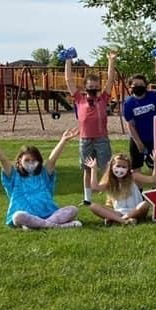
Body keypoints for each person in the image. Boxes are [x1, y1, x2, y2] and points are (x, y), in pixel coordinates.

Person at [0, 126, 82, 229]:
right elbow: (3, 159)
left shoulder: (44, 174)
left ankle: (37, 225)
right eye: (27, 160)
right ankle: (57, 226)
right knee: (17, 216)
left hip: (48, 213)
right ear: (19, 161)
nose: (31, 163)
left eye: (34, 160)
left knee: (73, 210)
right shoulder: (13, 175)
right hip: (24, 215)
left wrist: (63, 140)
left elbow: (52, 159)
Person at [65, 48, 117, 205]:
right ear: (85, 87)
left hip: (101, 138)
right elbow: (69, 81)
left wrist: (111, 61)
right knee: (87, 169)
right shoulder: (79, 98)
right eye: (91, 86)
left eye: (96, 86)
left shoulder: (103, 98)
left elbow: (110, 79)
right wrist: (68, 61)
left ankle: (111, 197)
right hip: (85, 139)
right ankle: (87, 199)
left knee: (108, 168)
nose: (94, 88)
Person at [85, 152, 156, 225]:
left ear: (128, 168)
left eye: (124, 167)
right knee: (93, 206)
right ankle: (123, 221)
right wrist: (93, 169)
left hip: (136, 210)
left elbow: (153, 179)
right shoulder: (109, 181)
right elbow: (95, 187)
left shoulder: (133, 176)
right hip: (118, 212)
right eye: (118, 166)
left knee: (145, 204)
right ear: (112, 167)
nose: (120, 169)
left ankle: (118, 220)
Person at [122, 73, 156, 172]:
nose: (138, 87)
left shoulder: (154, 96)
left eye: (141, 85)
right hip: (137, 138)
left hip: (155, 138)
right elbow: (130, 125)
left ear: (146, 86)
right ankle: (138, 188)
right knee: (136, 167)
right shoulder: (128, 103)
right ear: (130, 87)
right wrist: (138, 143)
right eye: (135, 85)